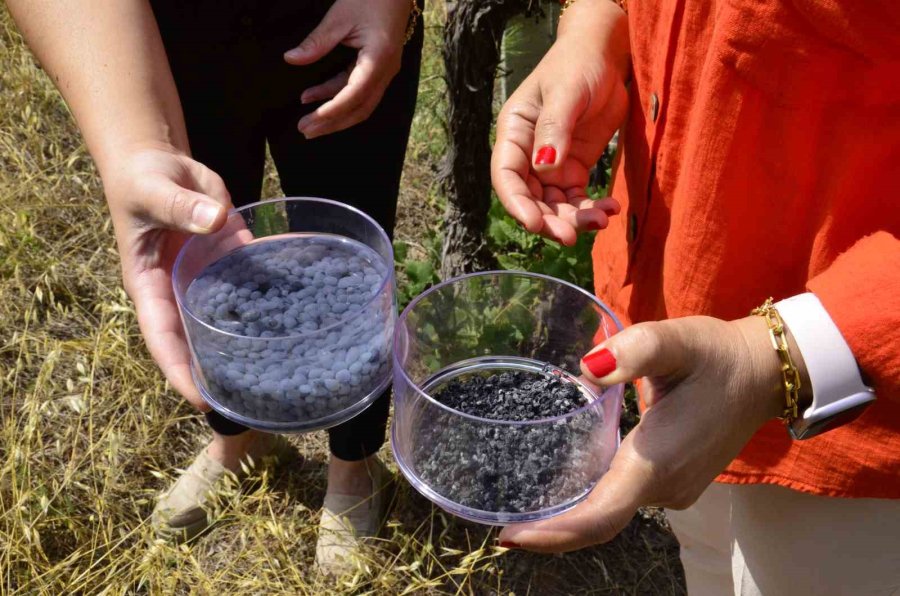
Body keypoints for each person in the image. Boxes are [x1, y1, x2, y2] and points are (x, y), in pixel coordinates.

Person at [491, 0, 900, 593]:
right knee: (708, 563)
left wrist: (773, 357)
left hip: (855, 425)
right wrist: (595, 32)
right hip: (688, 348)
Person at [7, 0, 423, 574]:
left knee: (354, 258)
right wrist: (138, 146)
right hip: (168, 39)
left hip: (342, 19)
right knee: (211, 256)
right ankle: (238, 438)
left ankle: (354, 464)